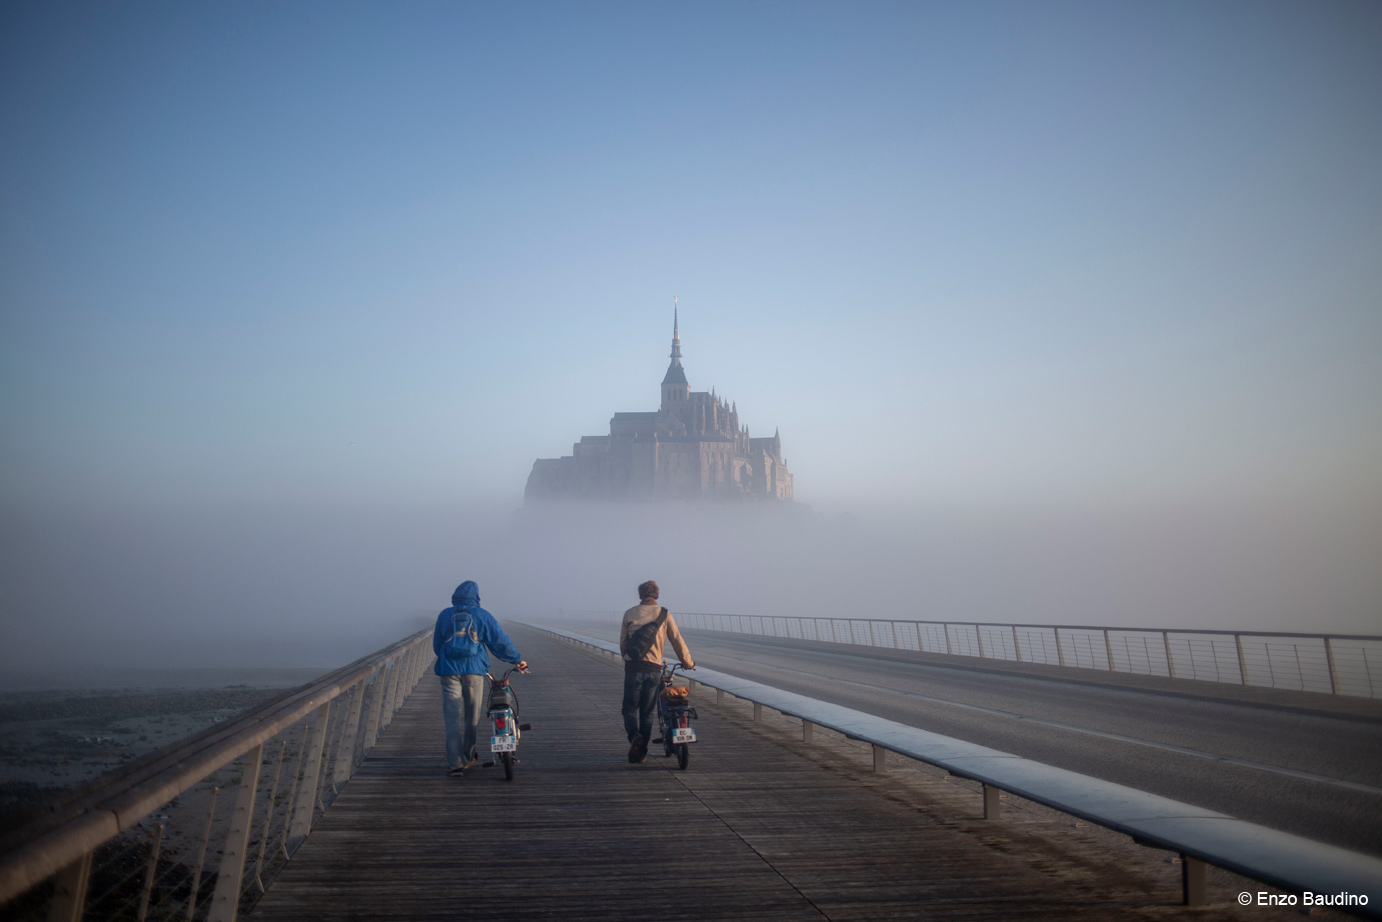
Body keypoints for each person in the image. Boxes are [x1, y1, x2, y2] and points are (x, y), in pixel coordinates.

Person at [432, 580, 527, 776]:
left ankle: (455, 763)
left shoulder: (445, 615)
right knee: (471, 717)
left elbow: (436, 645)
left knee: (451, 718)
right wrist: (516, 660)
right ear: (476, 596)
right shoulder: (482, 615)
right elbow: (499, 642)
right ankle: (468, 757)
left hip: (449, 671)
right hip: (474, 671)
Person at [620, 580, 694, 763]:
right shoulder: (664, 614)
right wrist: (688, 662)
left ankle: (634, 737)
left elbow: (623, 644)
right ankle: (642, 753)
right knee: (647, 713)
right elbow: (677, 640)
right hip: (653, 669)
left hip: (633, 668)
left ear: (640, 595)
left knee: (629, 709)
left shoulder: (629, 613)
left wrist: (628, 659)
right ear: (657, 595)